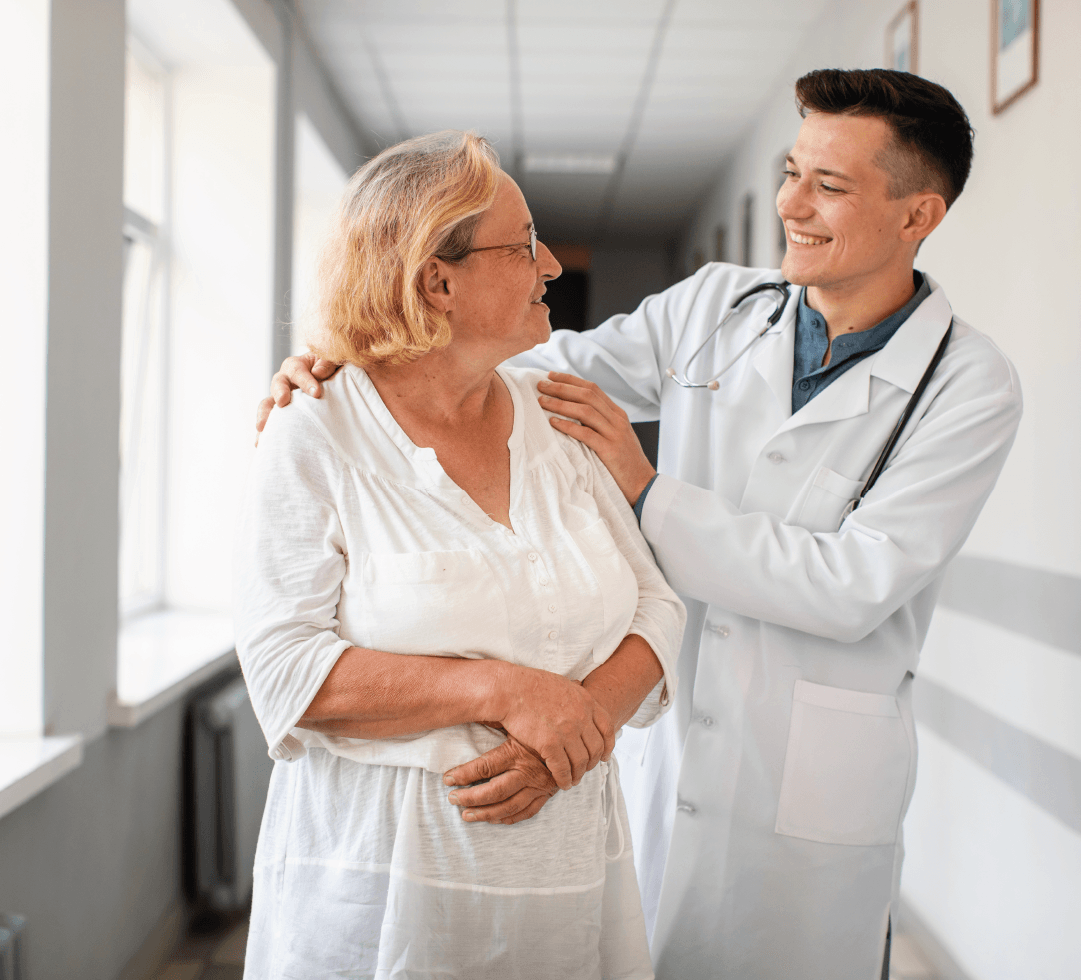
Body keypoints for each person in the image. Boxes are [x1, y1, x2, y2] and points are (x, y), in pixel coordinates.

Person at [261, 70, 1022, 978]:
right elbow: (518, 367)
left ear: (915, 216)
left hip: (809, 779)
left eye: (829, 186)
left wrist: (646, 488)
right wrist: (349, 359)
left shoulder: (966, 384)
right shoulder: (714, 309)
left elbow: (852, 586)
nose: (791, 204)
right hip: (662, 748)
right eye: (791, 171)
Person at [235, 130, 685, 980]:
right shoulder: (313, 430)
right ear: (436, 279)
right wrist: (506, 691)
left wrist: (574, 731)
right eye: (522, 246)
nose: (550, 264)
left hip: (567, 881)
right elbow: (284, 668)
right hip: (384, 892)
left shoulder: (558, 415)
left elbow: (657, 607)